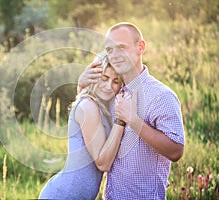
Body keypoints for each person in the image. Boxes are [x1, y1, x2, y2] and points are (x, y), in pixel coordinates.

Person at [78, 22, 185, 199]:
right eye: (109, 50)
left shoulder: (161, 96)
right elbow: (87, 116)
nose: (114, 55)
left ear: (140, 47)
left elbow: (176, 151)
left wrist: (133, 120)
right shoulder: (112, 91)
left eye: (121, 47)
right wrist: (81, 86)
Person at [39, 56, 126, 199]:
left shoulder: (101, 105)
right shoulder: (88, 106)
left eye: (115, 81)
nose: (108, 86)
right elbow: (103, 163)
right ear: (94, 77)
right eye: (104, 78)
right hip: (63, 195)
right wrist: (121, 120)